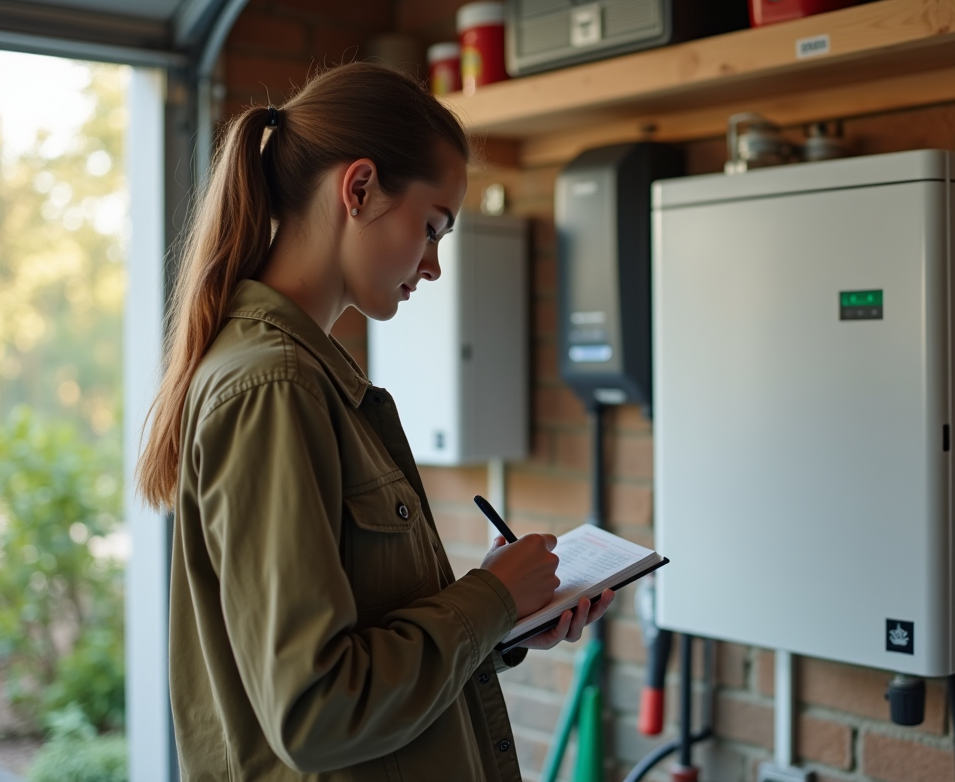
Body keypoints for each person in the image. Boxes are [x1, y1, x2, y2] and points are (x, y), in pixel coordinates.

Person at [136, 62, 614, 780]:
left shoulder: (301, 378)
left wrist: (501, 621)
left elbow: (362, 651)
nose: (433, 266)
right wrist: (487, 599)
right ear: (358, 189)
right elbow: (318, 710)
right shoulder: (275, 386)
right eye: (431, 227)